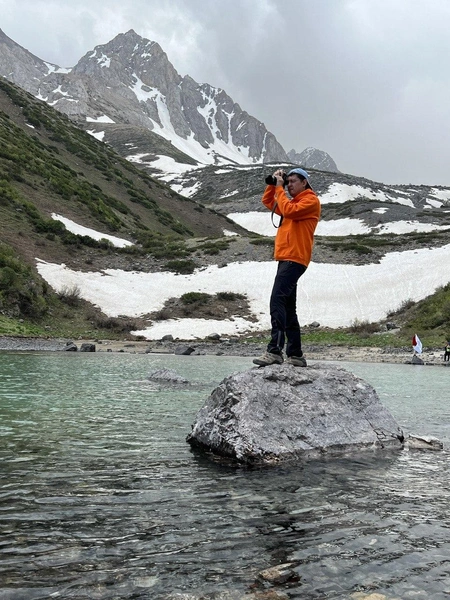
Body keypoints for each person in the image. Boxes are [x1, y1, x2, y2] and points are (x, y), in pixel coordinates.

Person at [253, 167, 321, 367]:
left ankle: (275, 350)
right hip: (287, 257)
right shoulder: (291, 201)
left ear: (304, 183)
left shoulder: (310, 201)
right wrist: (272, 185)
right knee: (289, 307)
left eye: (293, 181)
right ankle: (296, 354)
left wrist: (280, 188)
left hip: (295, 258)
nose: (289, 184)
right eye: (287, 181)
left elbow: (289, 211)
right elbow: (268, 202)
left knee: (277, 300)